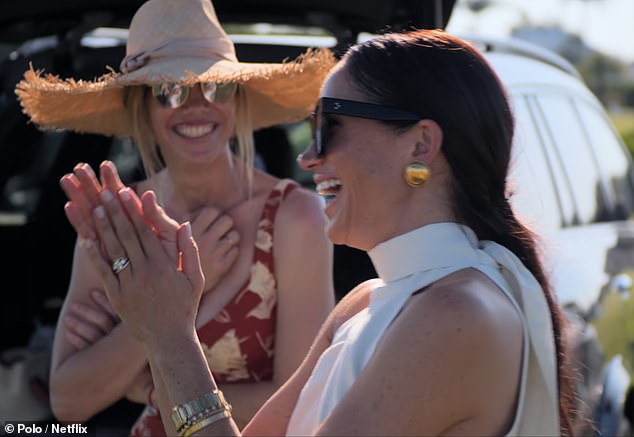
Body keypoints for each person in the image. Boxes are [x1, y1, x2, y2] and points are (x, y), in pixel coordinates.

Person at [49, 28, 574, 436]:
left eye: (329, 126)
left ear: (420, 146)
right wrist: (161, 309)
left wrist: (166, 334)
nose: (307, 156)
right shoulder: (367, 301)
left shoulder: (457, 313)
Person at [15, 0, 336, 433]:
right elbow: (68, 402)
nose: (197, 106)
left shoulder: (295, 218)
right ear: (142, 108)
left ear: (236, 99)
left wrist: (146, 382)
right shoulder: (115, 218)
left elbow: (302, 403)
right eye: (170, 90)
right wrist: (165, 305)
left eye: (216, 87)